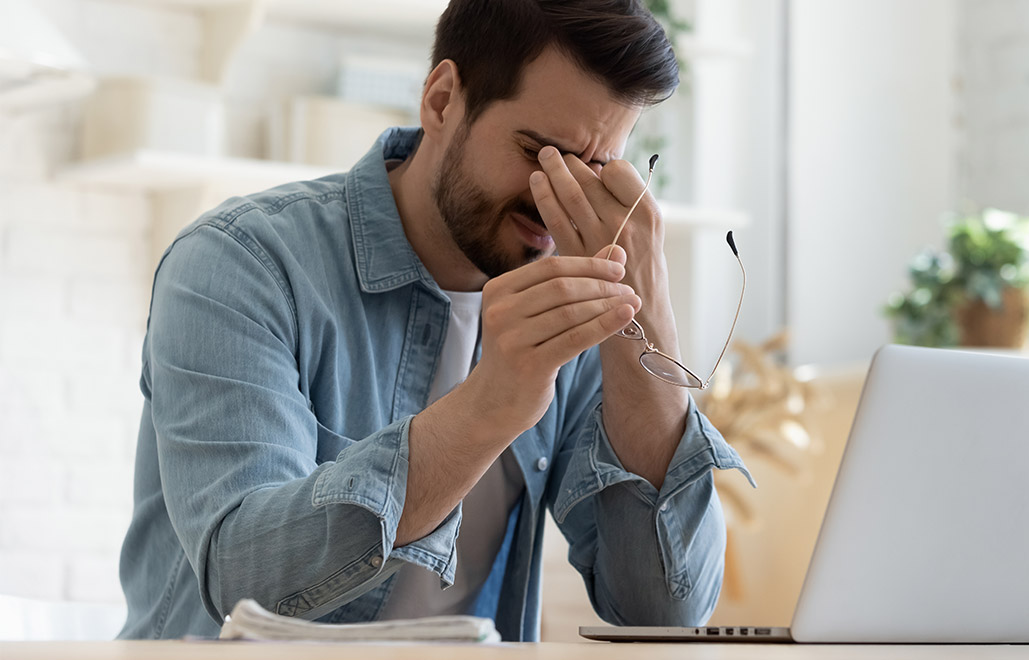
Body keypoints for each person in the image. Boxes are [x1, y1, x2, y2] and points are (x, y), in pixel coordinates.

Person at [118, 0, 750, 641]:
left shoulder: (580, 302)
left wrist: (649, 322)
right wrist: (490, 405)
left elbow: (665, 613)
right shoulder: (241, 264)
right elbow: (245, 584)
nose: (557, 201)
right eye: (541, 153)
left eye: (595, 170)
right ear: (443, 100)